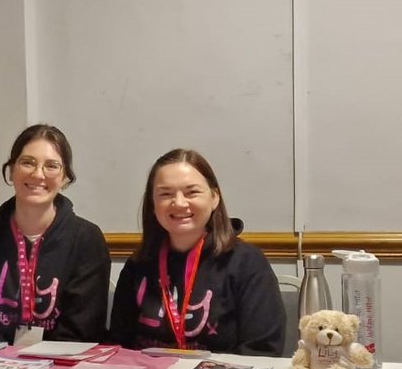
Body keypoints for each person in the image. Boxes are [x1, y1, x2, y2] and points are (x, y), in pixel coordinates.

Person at [109, 148, 285, 355]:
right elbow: (118, 347)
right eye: (165, 194)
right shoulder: (138, 264)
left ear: (214, 198)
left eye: (192, 192)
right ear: (152, 204)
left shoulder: (247, 263)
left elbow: (262, 351)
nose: (179, 202)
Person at [0, 124, 110, 344]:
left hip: (63, 366)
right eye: (27, 162)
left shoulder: (86, 239)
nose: (38, 174)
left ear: (65, 177)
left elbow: (82, 330)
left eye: (52, 166)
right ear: (11, 170)